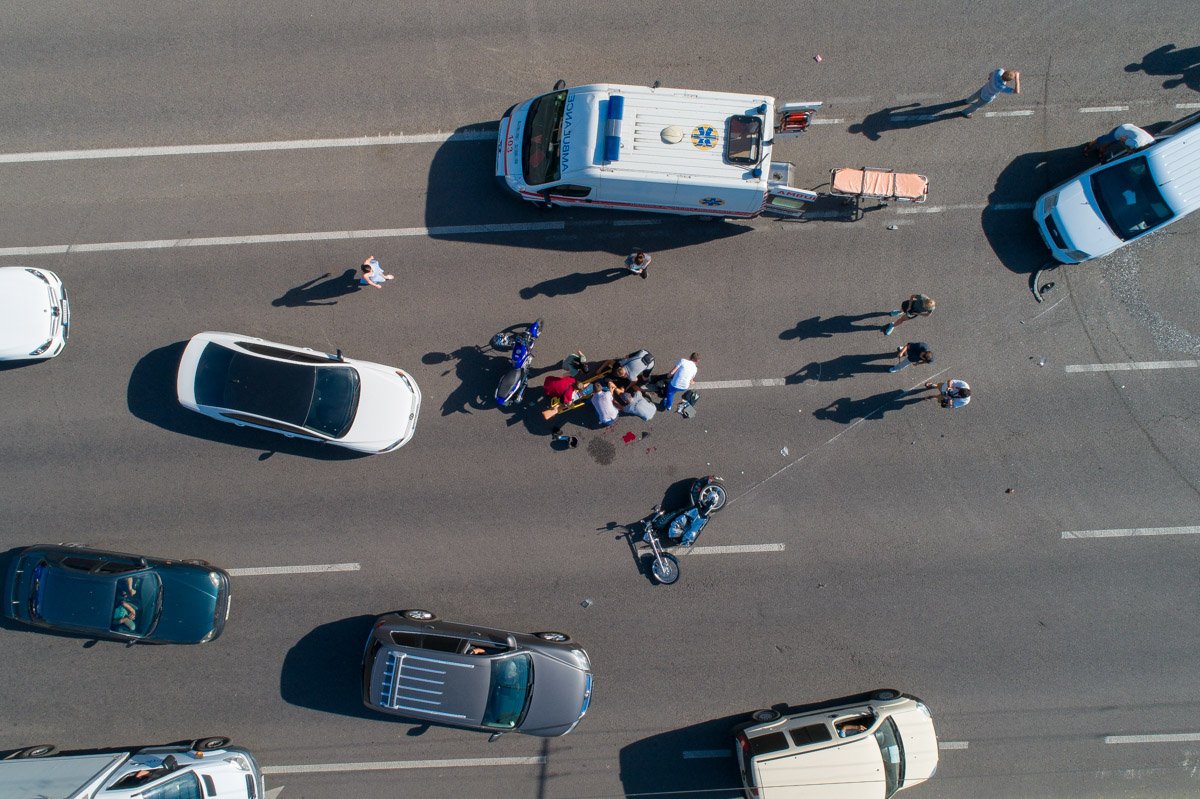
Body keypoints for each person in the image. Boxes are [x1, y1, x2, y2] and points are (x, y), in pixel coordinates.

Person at [1084, 123, 1155, 160]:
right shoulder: (1135, 144)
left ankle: (1101, 150)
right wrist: (1128, 149)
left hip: (1129, 127)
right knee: (1104, 140)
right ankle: (1089, 145)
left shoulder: (1152, 141)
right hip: (1120, 131)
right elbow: (1121, 138)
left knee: (1109, 143)